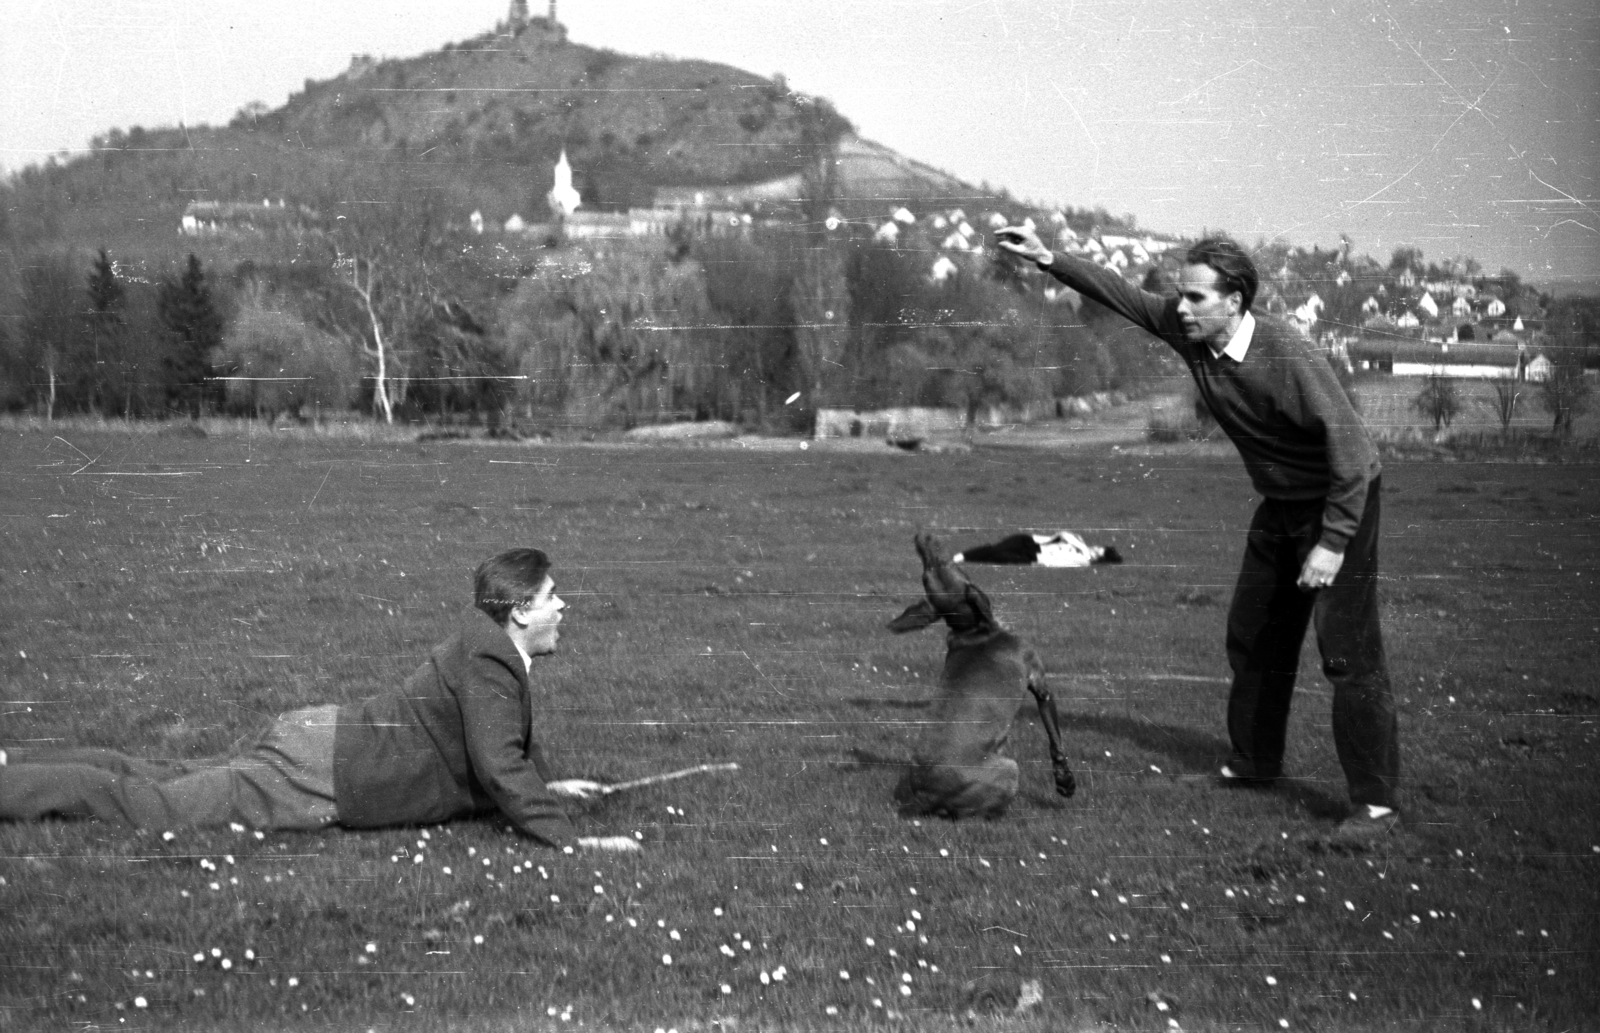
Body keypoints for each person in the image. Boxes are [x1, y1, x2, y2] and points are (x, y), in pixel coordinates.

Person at [996, 227, 1400, 842]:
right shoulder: (1192, 337)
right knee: (1254, 633)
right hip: (1282, 505)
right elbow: (1123, 295)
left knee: (1347, 653)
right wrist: (1050, 258)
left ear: (1235, 301)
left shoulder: (1285, 353)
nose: (1179, 308)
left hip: (1340, 502)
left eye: (1195, 299)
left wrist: (1333, 541)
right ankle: (1254, 764)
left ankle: (1375, 806)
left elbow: (1355, 452)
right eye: (1180, 297)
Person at [0, 548, 638, 853]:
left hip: (320, 741)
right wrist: (574, 844)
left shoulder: (487, 648)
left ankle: (16, 763)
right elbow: (498, 765)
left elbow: (501, 752)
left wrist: (551, 786)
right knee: (157, 804)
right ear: (521, 613)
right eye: (551, 596)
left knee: (170, 777)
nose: (562, 606)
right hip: (323, 773)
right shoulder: (494, 665)